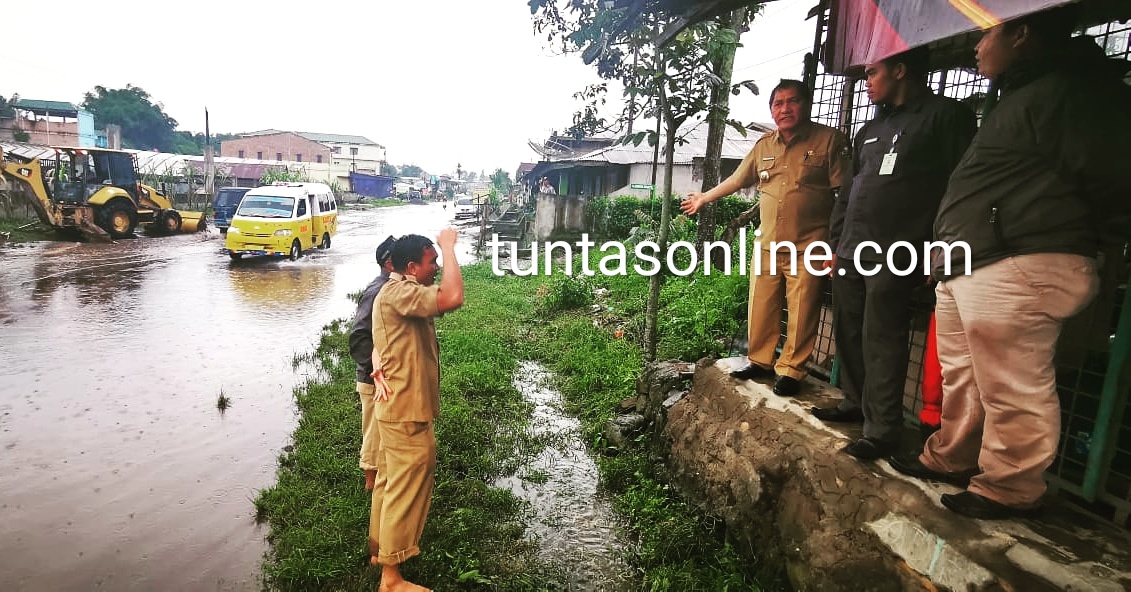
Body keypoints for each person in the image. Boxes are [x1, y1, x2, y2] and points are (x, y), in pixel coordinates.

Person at [889, 6, 1131, 519]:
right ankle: (951, 457)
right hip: (972, 261)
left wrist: (1096, 242)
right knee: (964, 376)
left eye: (986, 34)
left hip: (1018, 260)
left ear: (1022, 33)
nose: (976, 46)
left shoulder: (1074, 92)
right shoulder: (1021, 96)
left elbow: (1113, 180)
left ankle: (1010, 486)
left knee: (1013, 383)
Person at [811, 46, 977, 461]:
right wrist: (835, 244)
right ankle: (854, 400)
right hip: (853, 246)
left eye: (872, 72)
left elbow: (958, 187)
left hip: (899, 247)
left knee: (882, 335)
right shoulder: (869, 128)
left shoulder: (945, 117)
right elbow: (848, 192)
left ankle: (882, 428)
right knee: (849, 330)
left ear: (900, 70)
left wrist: (938, 244)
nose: (867, 81)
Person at [681, 79, 850, 396]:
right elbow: (737, 179)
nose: (785, 108)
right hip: (769, 244)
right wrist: (704, 198)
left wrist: (838, 242)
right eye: (778, 103)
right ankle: (760, 360)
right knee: (761, 305)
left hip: (810, 245)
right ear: (772, 110)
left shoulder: (829, 141)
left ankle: (791, 371)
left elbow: (845, 194)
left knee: (802, 309)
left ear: (806, 104)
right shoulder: (764, 146)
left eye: (792, 101)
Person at [368, 230, 464, 591]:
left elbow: (383, 336)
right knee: (405, 489)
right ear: (411, 267)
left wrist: (378, 358)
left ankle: (379, 550)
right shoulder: (400, 291)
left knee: (390, 482)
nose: (436, 267)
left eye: (438, 260)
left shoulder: (394, 292)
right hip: (405, 410)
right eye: (431, 261)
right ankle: (391, 578)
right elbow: (453, 296)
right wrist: (450, 247)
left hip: (398, 407)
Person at [348, 235, 397, 490]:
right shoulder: (378, 290)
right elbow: (359, 337)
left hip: (381, 375)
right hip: (373, 378)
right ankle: (370, 481)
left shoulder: (392, 288)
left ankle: (380, 478)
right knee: (374, 431)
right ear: (389, 263)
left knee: (381, 429)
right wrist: (376, 372)